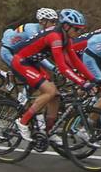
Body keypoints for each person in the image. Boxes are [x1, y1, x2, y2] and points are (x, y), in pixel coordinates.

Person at [11, 7, 95, 142]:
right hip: (20, 62)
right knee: (49, 91)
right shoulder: (55, 37)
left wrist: (92, 79)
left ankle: (49, 131)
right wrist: (82, 82)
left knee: (55, 95)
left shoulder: (65, 37)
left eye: (81, 29)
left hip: (32, 63)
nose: (79, 32)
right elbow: (62, 66)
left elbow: (74, 61)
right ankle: (23, 121)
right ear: (66, 26)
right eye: (77, 29)